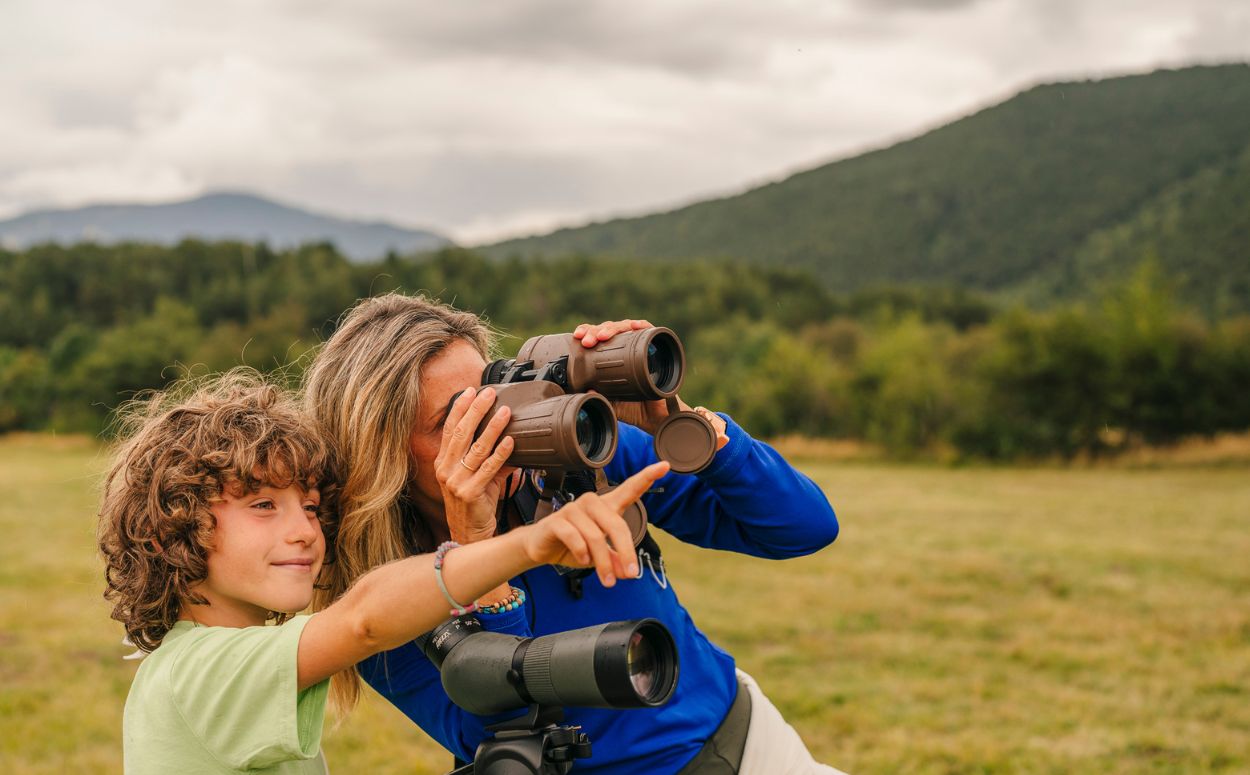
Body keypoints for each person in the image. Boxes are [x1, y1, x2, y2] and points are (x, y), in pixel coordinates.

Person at [304, 293, 844, 775]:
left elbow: (802, 528)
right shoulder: (378, 599)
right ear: (383, 456)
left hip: (747, 744)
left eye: (494, 392)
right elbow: (506, 734)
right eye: (460, 418)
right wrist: (477, 548)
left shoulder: (579, 459)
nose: (502, 425)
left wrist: (675, 425)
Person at [97, 369, 665, 774]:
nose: (304, 531)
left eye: (312, 508)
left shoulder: (208, 662)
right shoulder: (201, 672)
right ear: (167, 530)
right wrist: (526, 545)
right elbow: (362, 620)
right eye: (263, 505)